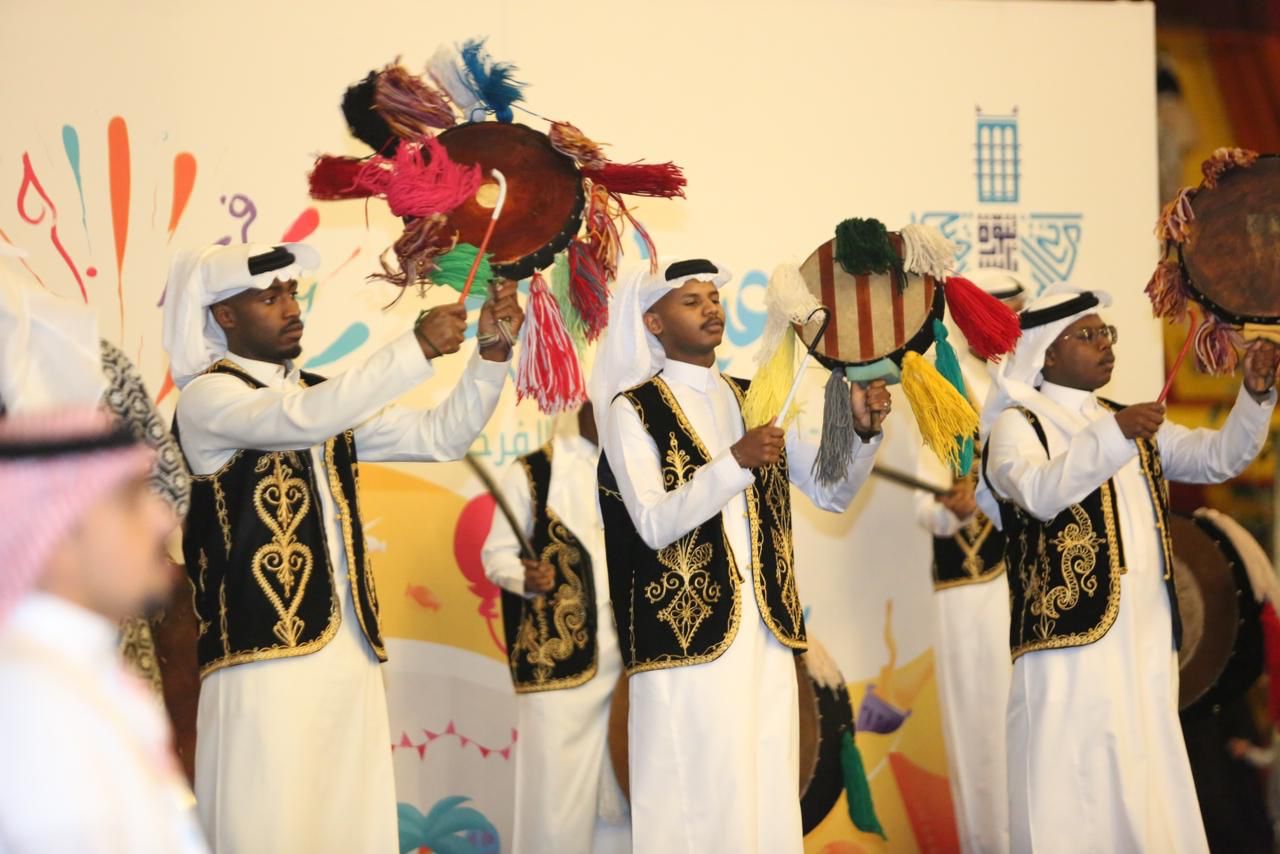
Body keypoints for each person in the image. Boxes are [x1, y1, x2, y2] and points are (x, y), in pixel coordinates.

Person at [162, 241, 524, 853]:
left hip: (348, 648)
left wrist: (490, 355)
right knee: (269, 825)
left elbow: (441, 436)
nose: (290, 307)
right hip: (260, 658)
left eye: (291, 292)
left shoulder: (320, 397)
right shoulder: (208, 398)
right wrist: (414, 348)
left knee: (352, 825)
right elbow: (297, 419)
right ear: (224, 316)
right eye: (268, 298)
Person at [589, 258, 889, 853]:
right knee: (695, 800)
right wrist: (735, 462)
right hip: (685, 641)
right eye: (691, 301)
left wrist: (860, 433)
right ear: (653, 322)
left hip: (766, 633)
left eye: (713, 298)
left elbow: (829, 492)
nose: (710, 308)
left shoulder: (755, 400)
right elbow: (652, 522)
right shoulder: (632, 409)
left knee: (766, 793)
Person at [977, 285, 1278, 854]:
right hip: (1068, 648)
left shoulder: (1125, 420)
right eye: (1087, 335)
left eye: (1106, 333)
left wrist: (1255, 395)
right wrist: (1115, 436)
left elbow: (1218, 458)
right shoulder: (1019, 426)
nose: (1104, 344)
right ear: (1047, 353)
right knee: (1070, 787)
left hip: (1145, 637)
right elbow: (1039, 493)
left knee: (1146, 782)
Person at [0, 407, 207, 853]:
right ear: (59, 534)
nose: (164, 519)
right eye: (131, 499)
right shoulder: (30, 698)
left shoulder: (81, 673)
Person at [481, 401, 630, 854]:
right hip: (557, 666)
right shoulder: (531, 472)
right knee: (554, 804)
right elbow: (496, 556)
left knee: (627, 795)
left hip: (630, 669)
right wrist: (525, 578)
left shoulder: (637, 471)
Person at [912, 268, 1025, 854]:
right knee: (983, 734)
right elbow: (925, 506)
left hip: (1034, 589)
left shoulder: (1039, 386)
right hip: (975, 587)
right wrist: (953, 505)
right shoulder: (945, 385)